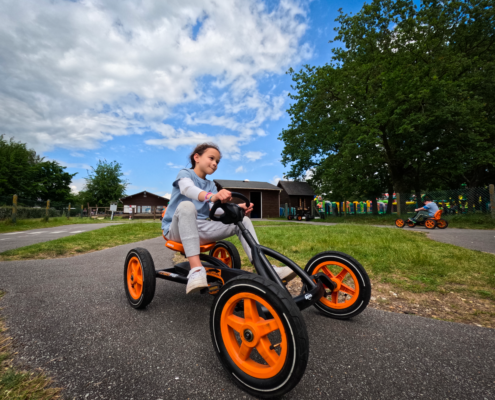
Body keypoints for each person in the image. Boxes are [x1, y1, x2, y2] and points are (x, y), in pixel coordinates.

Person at [162, 143, 297, 294]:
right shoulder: (185, 174)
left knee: (242, 221)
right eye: (211, 158)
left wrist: (238, 208)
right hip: (176, 230)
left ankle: (266, 269)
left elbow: (215, 209)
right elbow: (188, 189)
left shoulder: (211, 185)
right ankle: (196, 270)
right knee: (187, 206)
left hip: (199, 229)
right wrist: (212, 196)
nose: (215, 163)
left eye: (217, 161)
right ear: (197, 157)